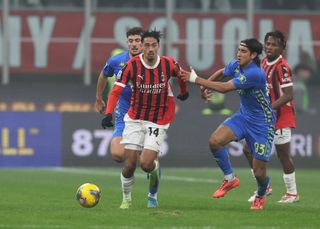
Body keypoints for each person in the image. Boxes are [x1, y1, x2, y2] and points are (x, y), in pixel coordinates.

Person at [180, 38, 275, 210]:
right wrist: (204, 88)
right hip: (244, 117)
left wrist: (196, 80)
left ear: (253, 55)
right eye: (238, 50)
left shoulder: (255, 73)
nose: (239, 54)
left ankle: (262, 192)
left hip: (263, 124)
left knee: (260, 172)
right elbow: (222, 72)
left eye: (243, 51)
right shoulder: (237, 64)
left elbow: (224, 87)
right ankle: (230, 178)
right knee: (215, 141)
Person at [102, 29, 189, 209]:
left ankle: (152, 195)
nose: (150, 48)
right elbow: (116, 90)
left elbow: (181, 75)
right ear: (142, 46)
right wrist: (109, 113)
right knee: (130, 163)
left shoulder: (168, 63)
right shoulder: (130, 66)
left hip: (158, 119)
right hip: (135, 118)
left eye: (153, 45)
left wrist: (184, 92)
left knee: (147, 164)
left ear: (158, 46)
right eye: (146, 45)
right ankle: (126, 199)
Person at [243, 31, 300, 204]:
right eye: (267, 43)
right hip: (265, 118)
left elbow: (289, 94)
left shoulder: (282, 66)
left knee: (283, 155)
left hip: (280, 118)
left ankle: (292, 193)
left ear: (283, 47)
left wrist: (267, 108)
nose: (269, 47)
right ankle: (264, 186)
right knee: (247, 149)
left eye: (274, 44)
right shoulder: (263, 63)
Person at [95, 27, 143, 163]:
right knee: (117, 154)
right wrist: (99, 98)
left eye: (138, 40)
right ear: (127, 43)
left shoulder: (153, 62)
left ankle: (151, 169)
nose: (134, 44)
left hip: (146, 113)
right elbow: (104, 74)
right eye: (131, 41)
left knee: (148, 162)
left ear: (143, 42)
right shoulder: (117, 61)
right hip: (124, 111)